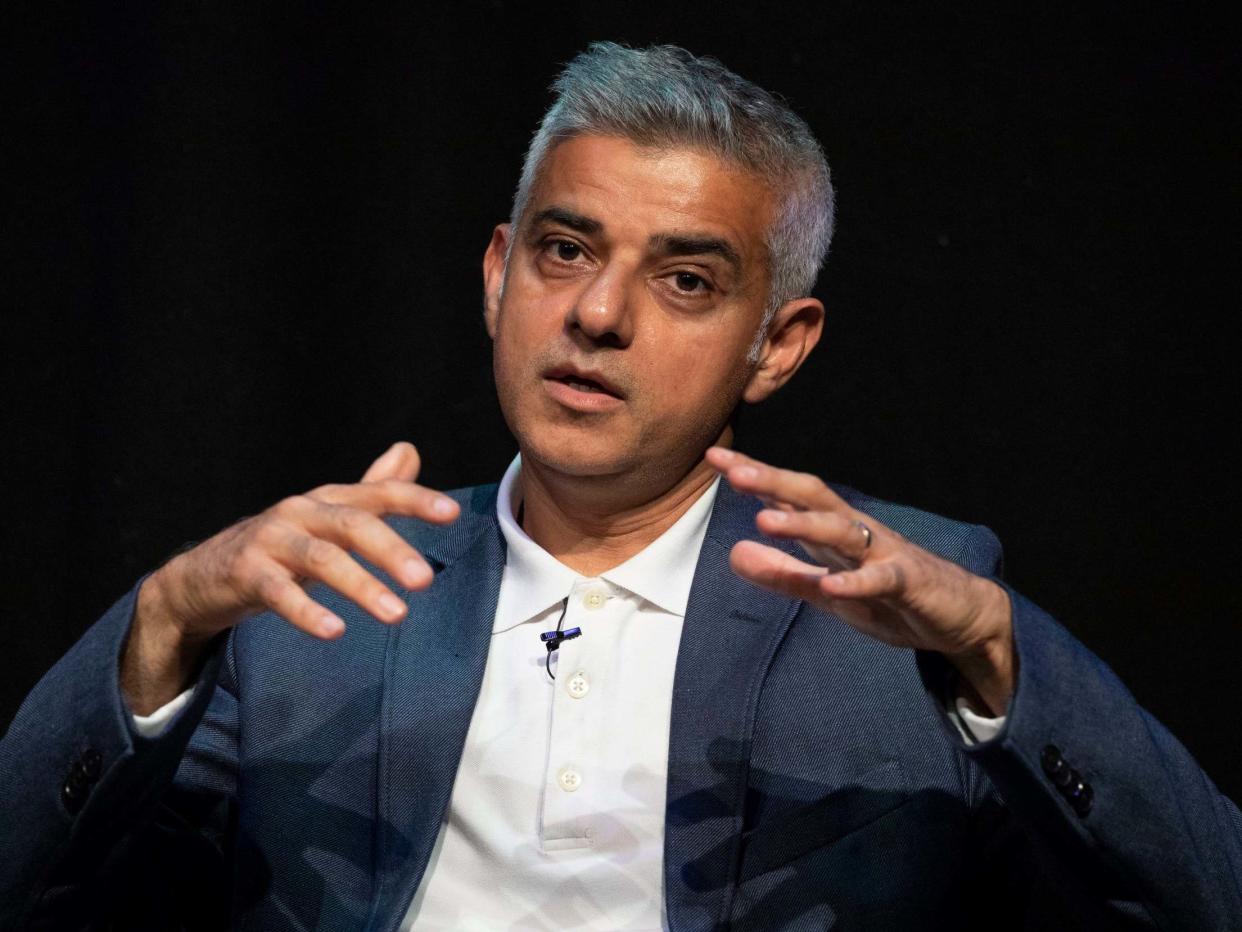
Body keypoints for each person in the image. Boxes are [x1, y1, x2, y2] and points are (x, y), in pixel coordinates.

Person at [1, 41, 1238, 931]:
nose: (596, 313)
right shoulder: (318, 595)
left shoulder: (907, 608)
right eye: (565, 249)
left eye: (686, 280)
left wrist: (1002, 655)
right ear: (497, 275)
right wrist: (159, 625)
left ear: (781, 341)